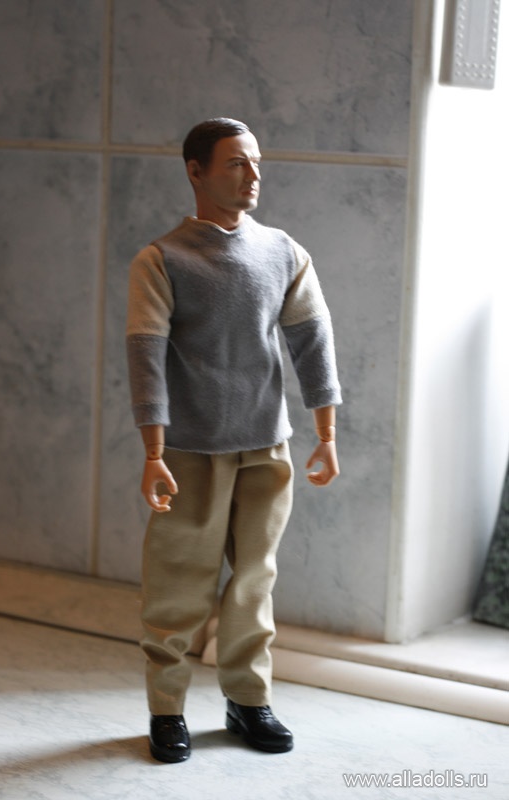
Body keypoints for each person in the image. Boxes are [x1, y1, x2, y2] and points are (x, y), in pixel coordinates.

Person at [126, 117, 342, 763]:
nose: (252, 176)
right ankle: (167, 708)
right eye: (236, 163)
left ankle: (249, 700)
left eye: (255, 163)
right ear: (196, 171)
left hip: (266, 447)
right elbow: (146, 355)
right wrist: (154, 452)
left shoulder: (282, 251)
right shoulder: (163, 259)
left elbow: (312, 338)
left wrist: (326, 430)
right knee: (177, 583)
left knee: (255, 581)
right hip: (190, 452)